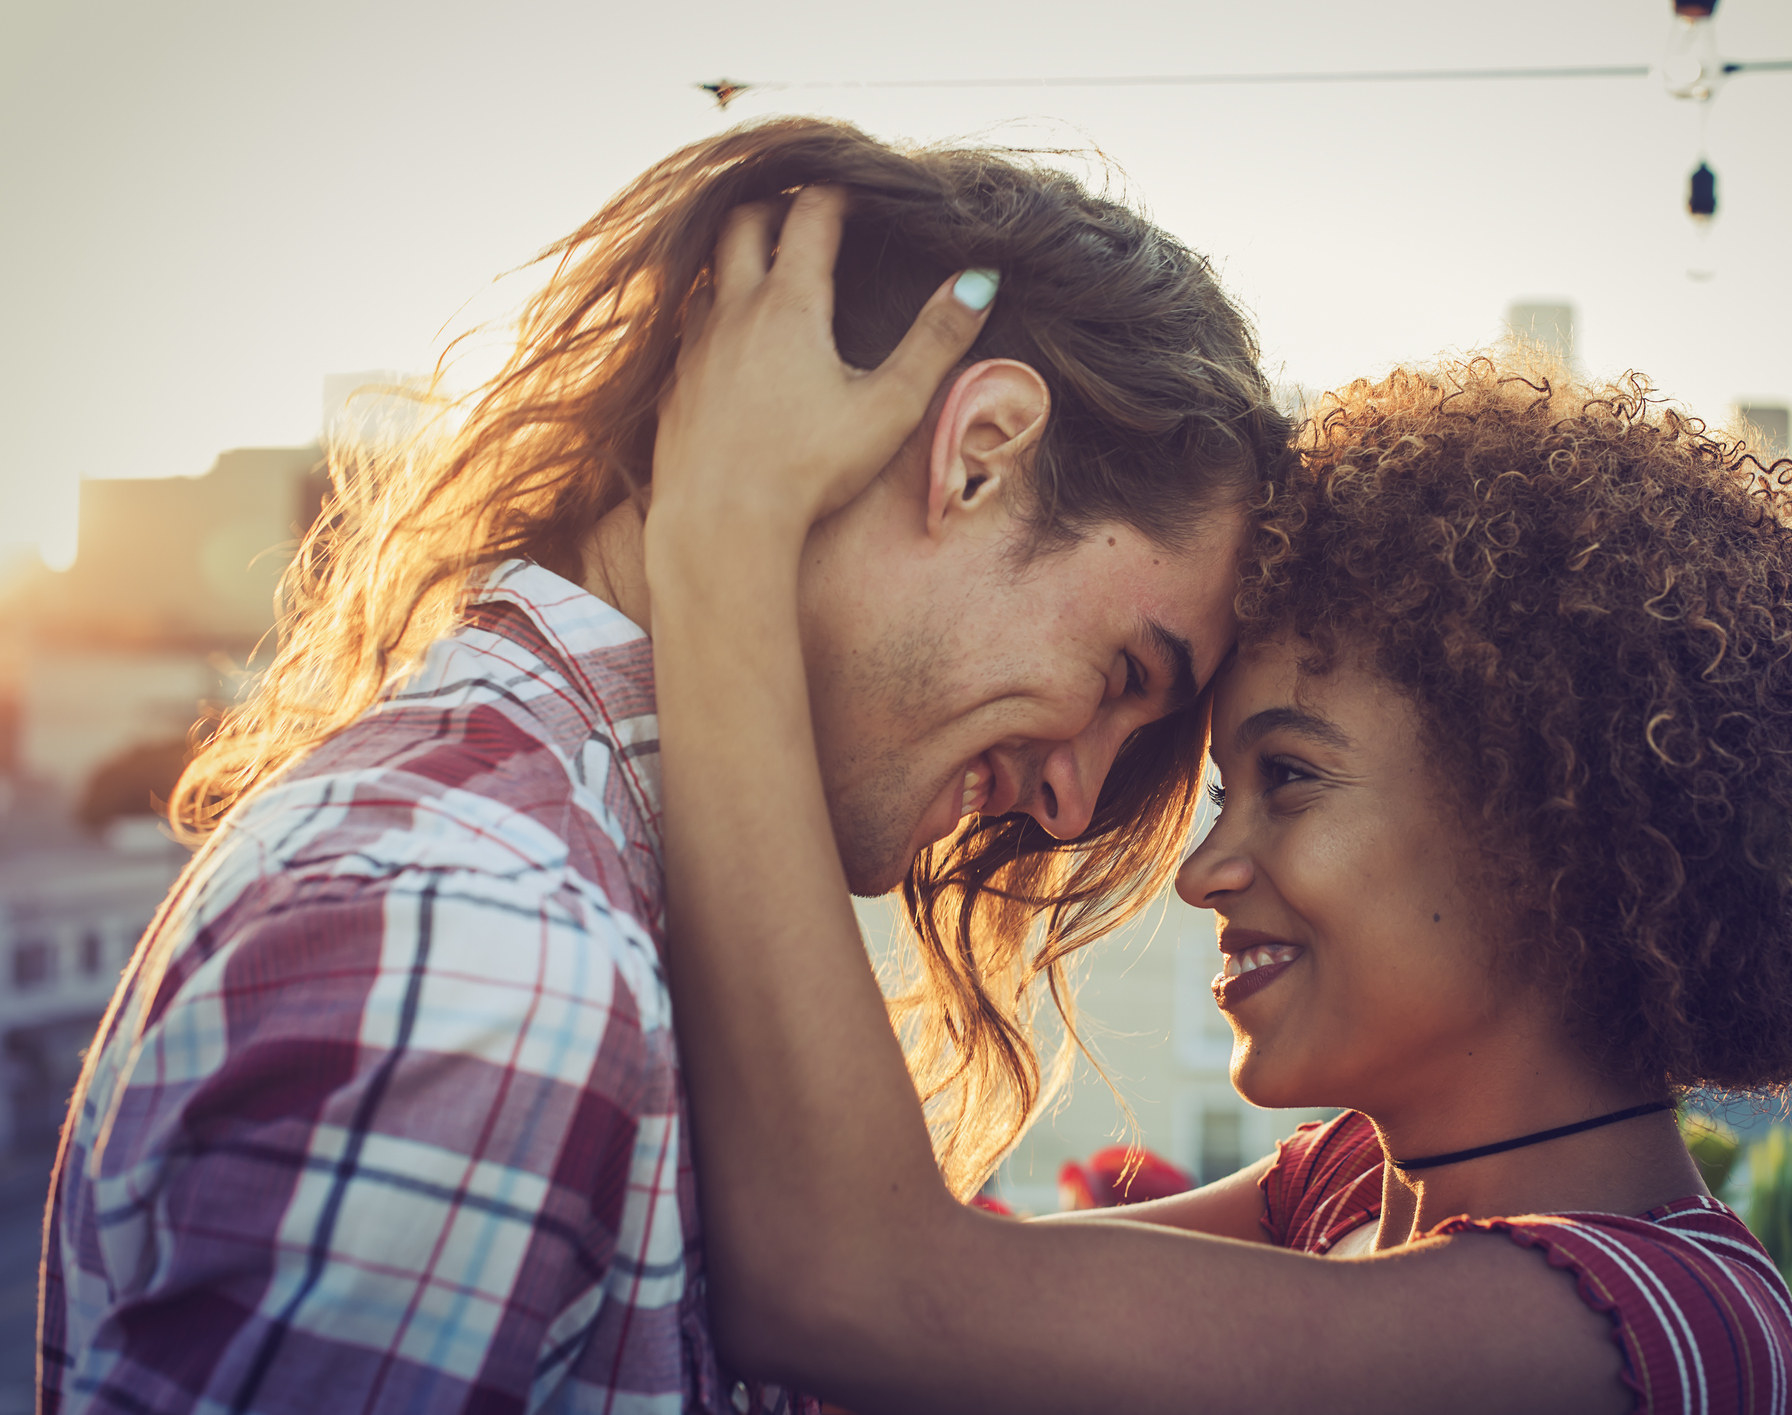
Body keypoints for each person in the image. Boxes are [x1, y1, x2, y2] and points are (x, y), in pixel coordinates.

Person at [39, 122, 1290, 1414]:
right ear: (979, 457)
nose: (1074, 801)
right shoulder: (488, 948)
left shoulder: (575, 888)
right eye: (1124, 680)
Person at [642, 194, 1792, 1412]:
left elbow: (862, 1293)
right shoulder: (1350, 1191)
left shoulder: (1661, 1330)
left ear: (1551, 834)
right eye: (1222, 793)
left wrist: (729, 543)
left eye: (1291, 780)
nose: (1203, 869)